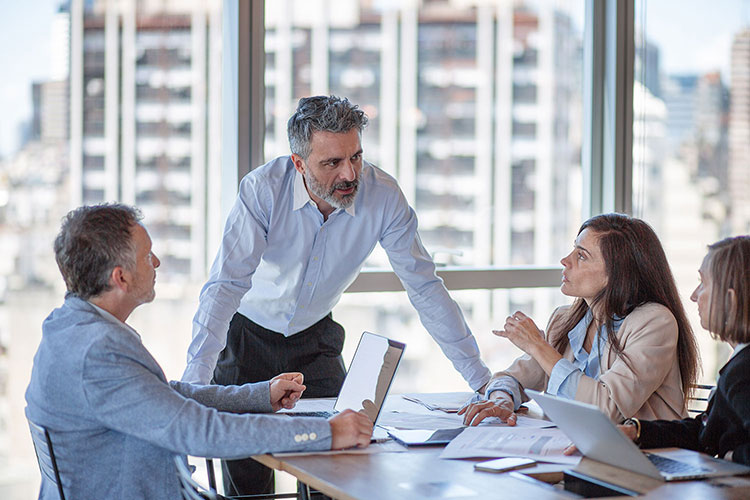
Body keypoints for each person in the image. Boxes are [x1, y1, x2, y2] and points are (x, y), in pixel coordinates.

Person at [182, 95, 492, 495]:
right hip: (245, 339)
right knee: (248, 485)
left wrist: (482, 382)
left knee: (340, 466)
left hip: (316, 339)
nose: (350, 174)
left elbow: (424, 286)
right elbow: (224, 288)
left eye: (356, 157)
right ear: (298, 163)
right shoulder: (262, 190)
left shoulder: (383, 197)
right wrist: (191, 392)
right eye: (332, 163)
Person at [25, 204, 373, 500]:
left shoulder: (67, 329)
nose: (157, 262)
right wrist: (327, 433)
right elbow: (198, 431)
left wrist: (259, 396)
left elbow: (165, 396)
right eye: (148, 256)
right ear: (121, 278)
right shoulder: (98, 352)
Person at [459, 213, 700, 426]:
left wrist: (538, 346)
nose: (565, 260)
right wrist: (502, 400)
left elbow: (607, 409)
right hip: (579, 452)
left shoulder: (654, 322)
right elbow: (512, 378)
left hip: (649, 458)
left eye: (581, 256)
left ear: (616, 274)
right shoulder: (565, 320)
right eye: (573, 250)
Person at [581, 236, 750, 465]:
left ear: (730, 300)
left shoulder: (743, 373)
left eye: (703, 284)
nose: (694, 295)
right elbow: (704, 431)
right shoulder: (740, 363)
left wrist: (734, 458)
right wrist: (636, 432)